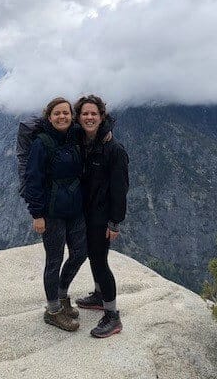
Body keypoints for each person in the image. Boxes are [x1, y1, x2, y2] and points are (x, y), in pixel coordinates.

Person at [24, 97, 87, 332]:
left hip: (75, 209)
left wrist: (108, 131)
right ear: (49, 117)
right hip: (52, 213)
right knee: (54, 260)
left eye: (66, 113)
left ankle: (61, 295)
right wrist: (37, 214)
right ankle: (53, 311)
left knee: (81, 252)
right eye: (57, 113)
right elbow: (33, 180)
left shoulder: (75, 137)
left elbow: (100, 122)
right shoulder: (42, 143)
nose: (62, 117)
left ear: (72, 116)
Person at [74, 95, 129, 338]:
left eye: (93, 113)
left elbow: (120, 188)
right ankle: (98, 296)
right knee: (95, 258)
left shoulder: (113, 149)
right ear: (79, 117)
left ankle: (112, 315)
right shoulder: (81, 142)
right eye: (85, 113)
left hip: (101, 216)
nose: (89, 117)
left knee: (99, 262)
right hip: (84, 213)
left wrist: (114, 222)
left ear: (102, 116)